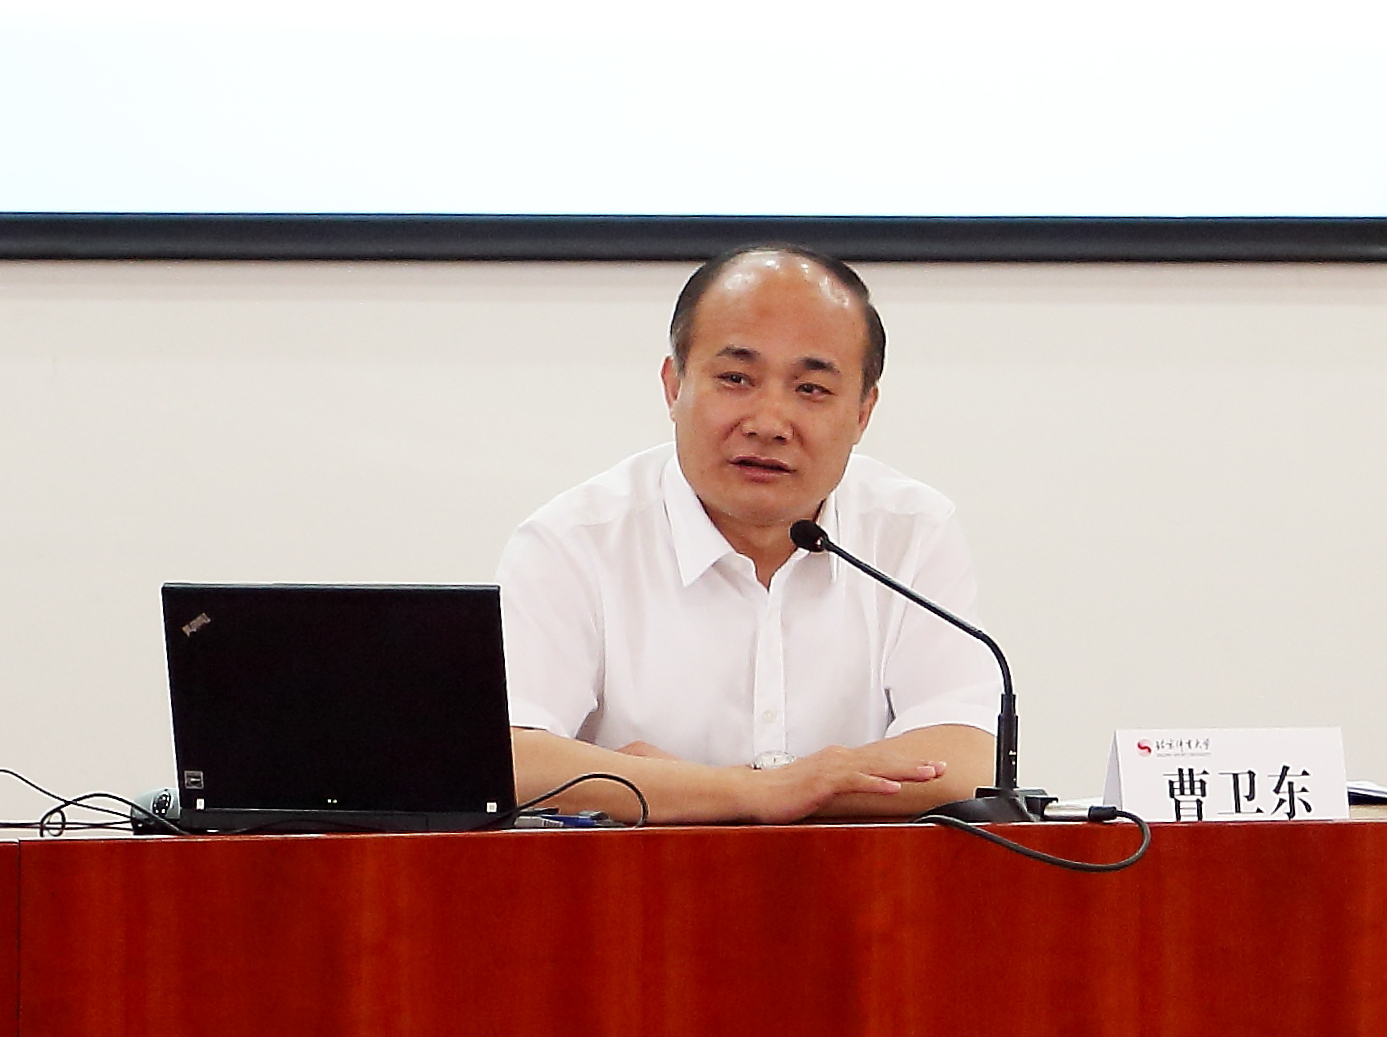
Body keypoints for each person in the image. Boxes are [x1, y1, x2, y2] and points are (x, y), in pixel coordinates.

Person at [497, 244, 998, 824]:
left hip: (856, 879)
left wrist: (688, 790)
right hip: (631, 881)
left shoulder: (910, 531)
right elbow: (510, 761)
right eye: (736, 379)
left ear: (863, 413)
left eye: (811, 389)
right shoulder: (572, 542)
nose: (768, 423)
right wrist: (756, 792)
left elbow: (967, 761)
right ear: (674, 387)